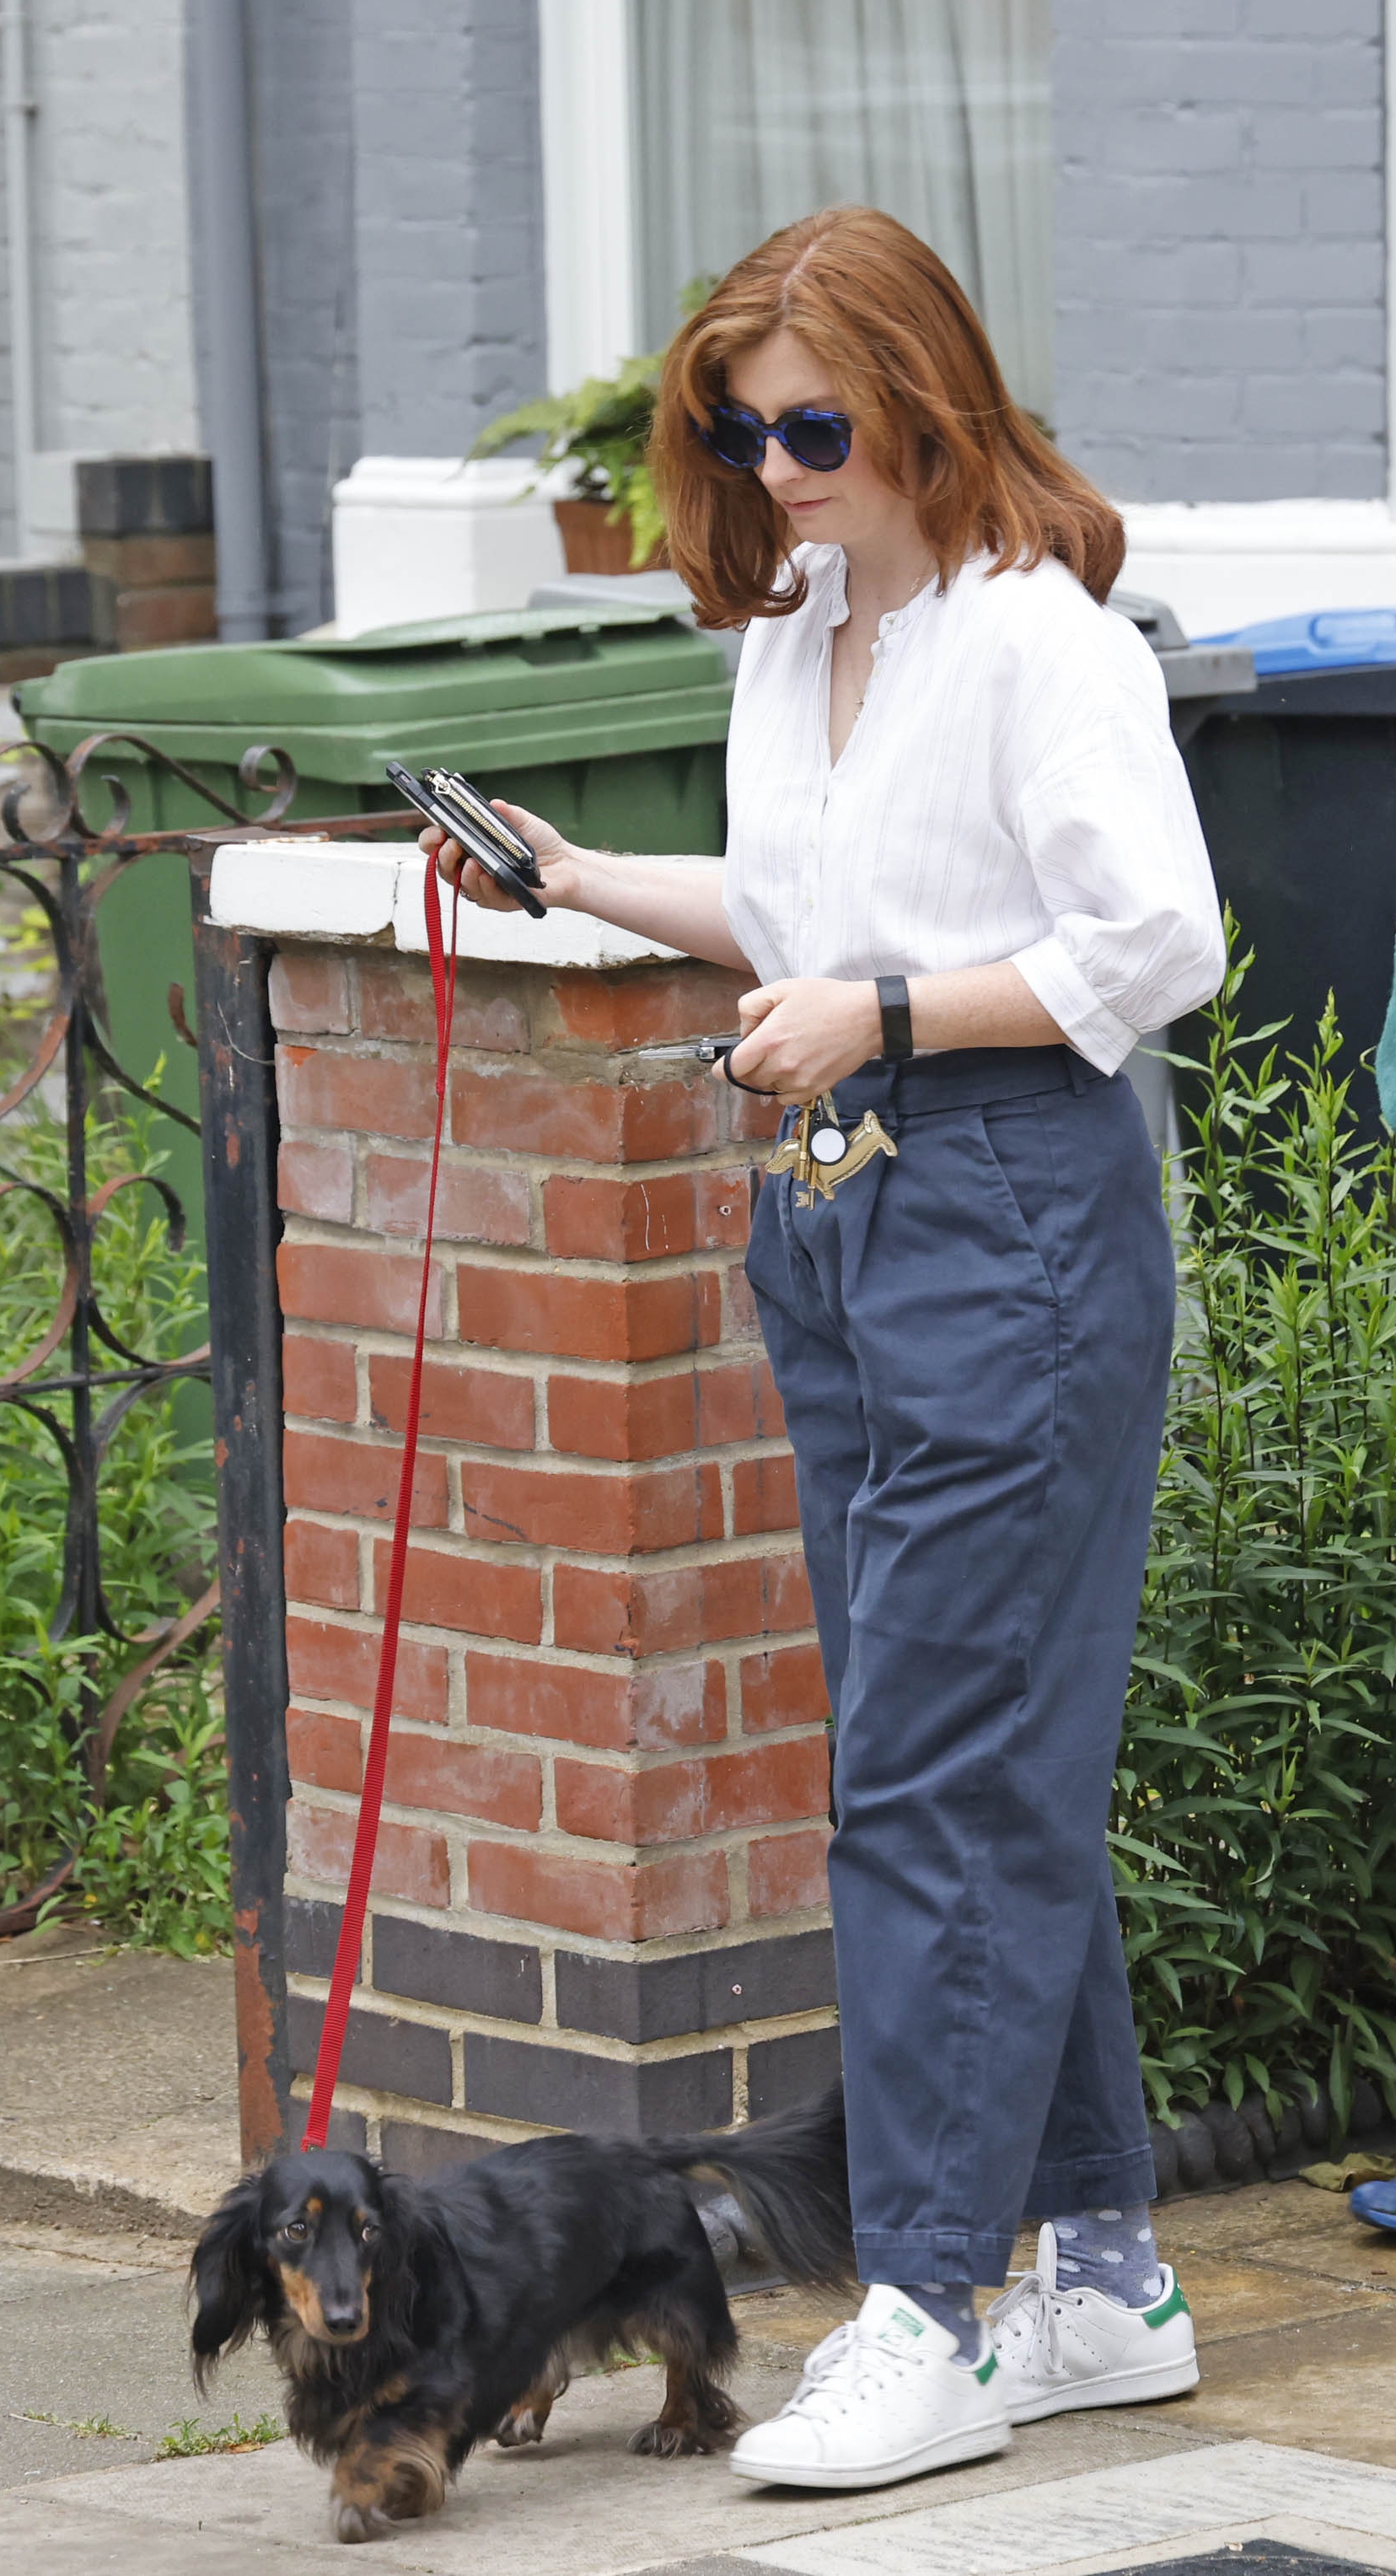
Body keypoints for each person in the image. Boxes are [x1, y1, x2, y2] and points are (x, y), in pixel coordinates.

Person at [424, 206, 1222, 2491]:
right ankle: (1105, 2280)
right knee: (948, 1751)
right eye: (732, 425)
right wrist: (579, 876)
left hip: (1006, 1207)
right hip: (844, 1212)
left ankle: (933, 2302)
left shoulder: (1031, 636)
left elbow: (1154, 934)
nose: (770, 465)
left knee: (933, 1782)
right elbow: (801, 914)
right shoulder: (810, 636)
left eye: (807, 423)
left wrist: (879, 1013)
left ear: (919, 397)